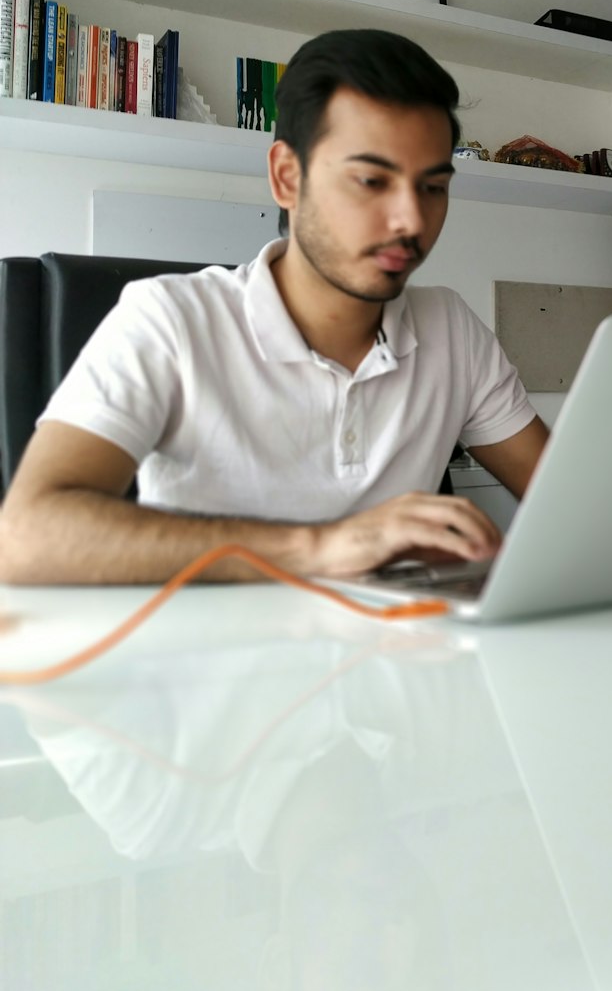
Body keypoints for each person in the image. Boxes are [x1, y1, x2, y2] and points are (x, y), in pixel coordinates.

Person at [0, 29, 549, 584]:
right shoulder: (168, 318)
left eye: (432, 187)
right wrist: (320, 548)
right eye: (370, 180)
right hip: (217, 660)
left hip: (399, 654)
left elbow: (569, 502)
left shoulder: (452, 328)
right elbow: (24, 537)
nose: (410, 219)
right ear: (287, 176)